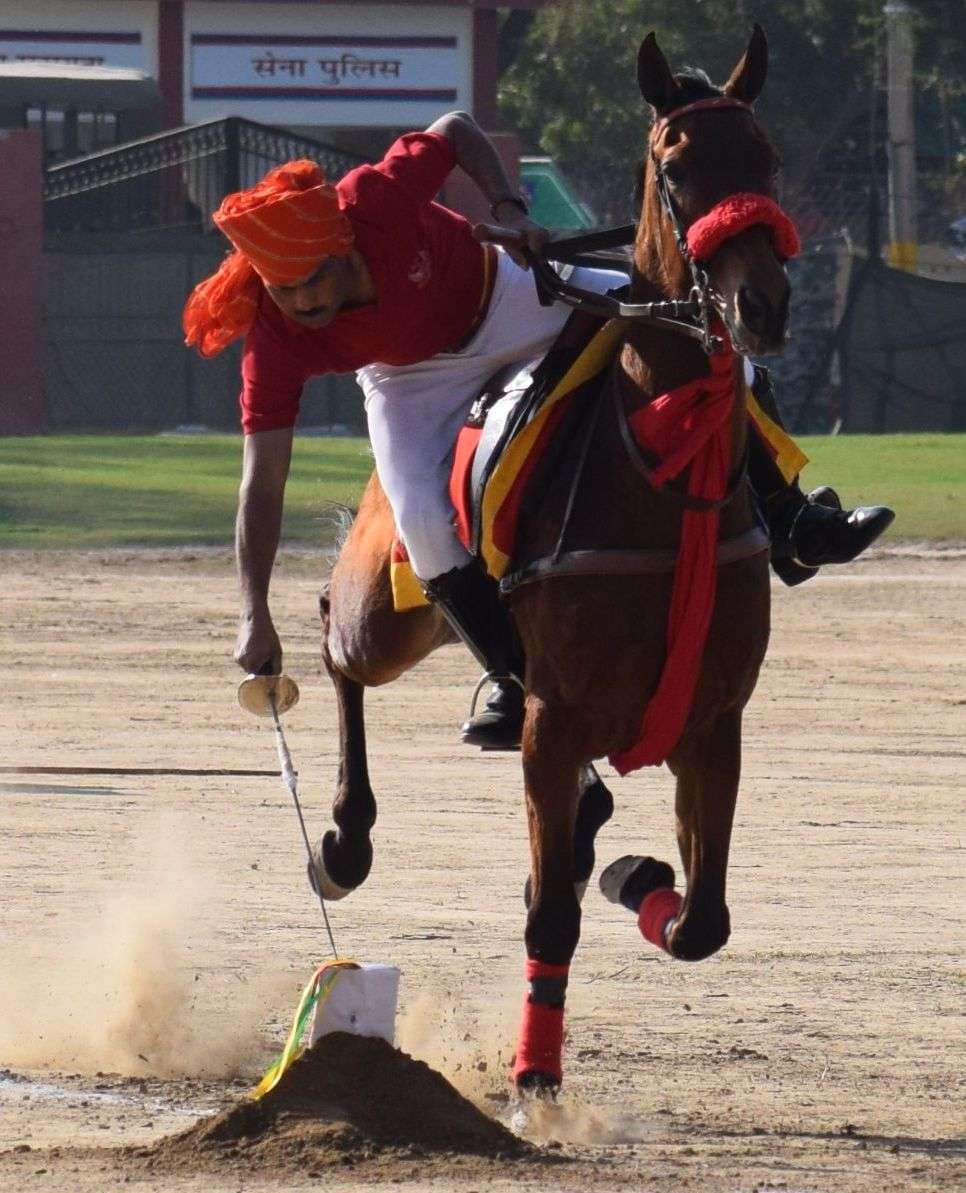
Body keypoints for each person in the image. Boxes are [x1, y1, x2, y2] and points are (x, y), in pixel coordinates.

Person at [183, 112, 893, 751]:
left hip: (511, 298)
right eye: (285, 288)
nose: (306, 301)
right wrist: (253, 612)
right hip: (407, 378)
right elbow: (263, 481)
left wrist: (509, 208)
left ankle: (794, 521)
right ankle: (509, 679)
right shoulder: (275, 338)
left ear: (345, 243)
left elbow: (458, 128)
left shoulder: (373, 199)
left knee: (699, 334)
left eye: (319, 279)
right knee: (427, 528)